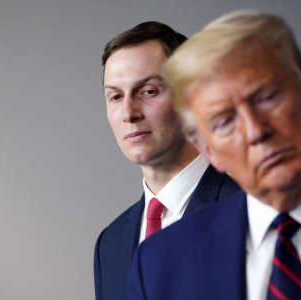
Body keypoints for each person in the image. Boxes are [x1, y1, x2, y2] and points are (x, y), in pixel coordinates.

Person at [127, 11, 301, 300]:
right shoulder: (161, 265)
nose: (255, 131)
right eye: (224, 122)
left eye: (267, 98)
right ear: (207, 150)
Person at [94, 21, 240, 300]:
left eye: (148, 91)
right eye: (115, 96)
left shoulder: (256, 212)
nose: (128, 113)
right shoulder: (109, 246)